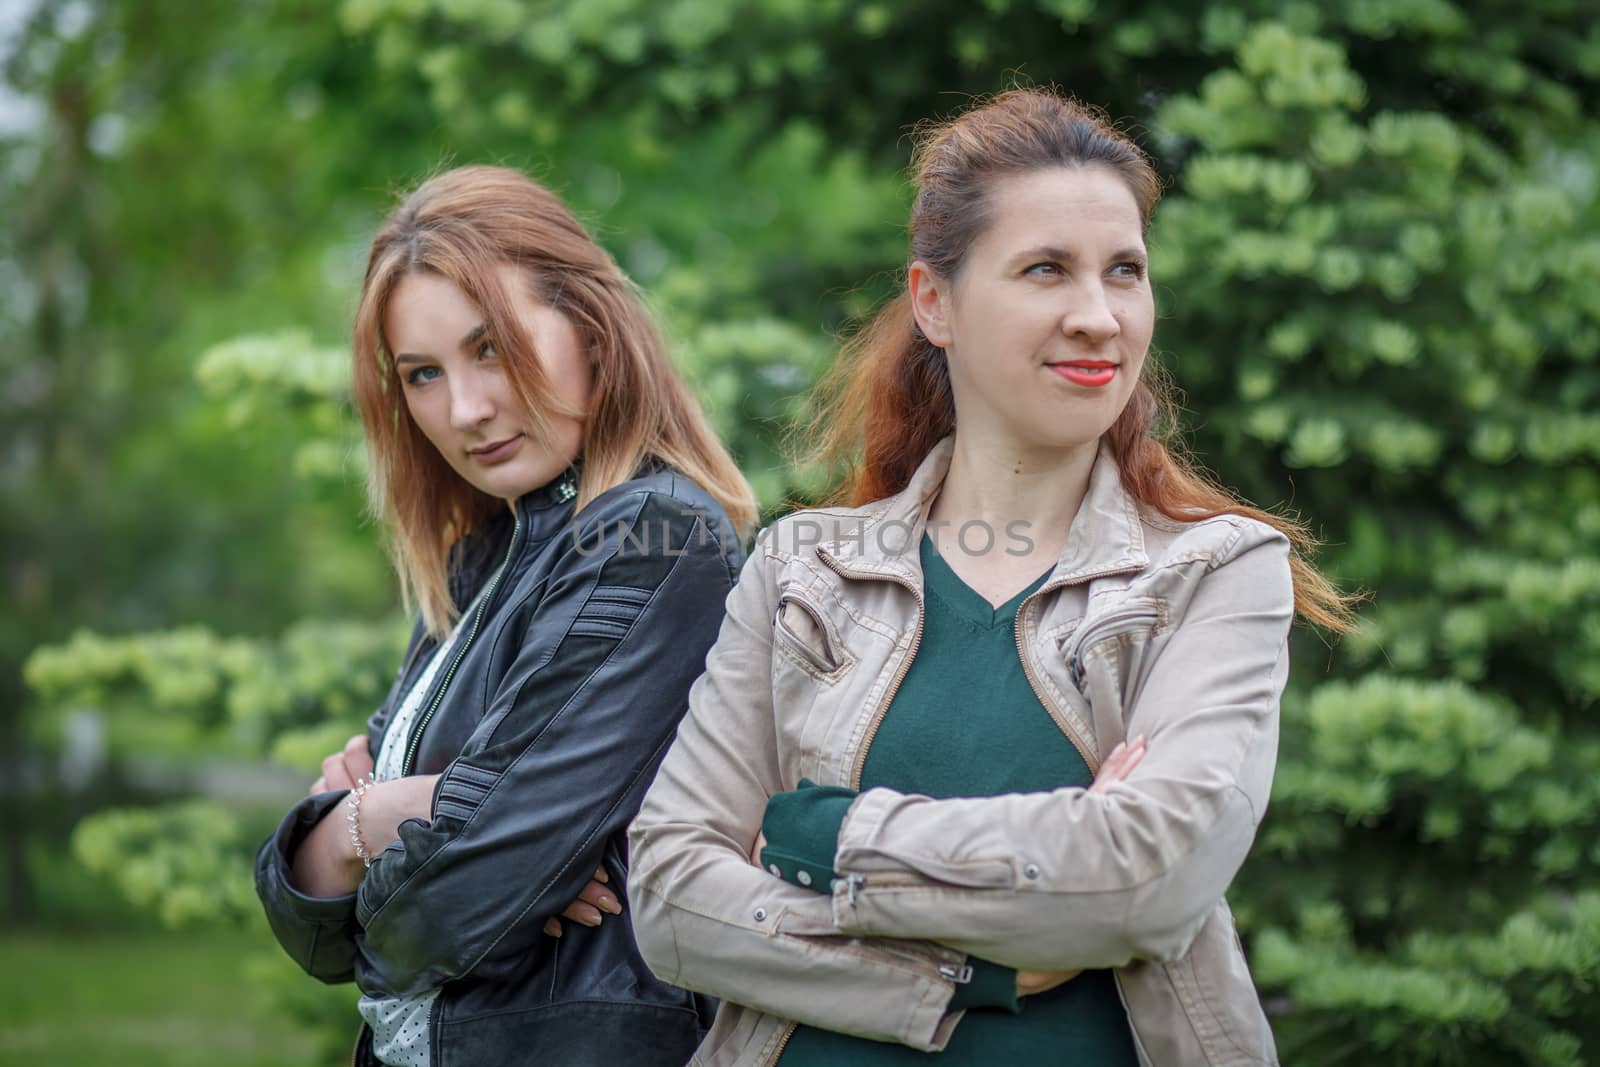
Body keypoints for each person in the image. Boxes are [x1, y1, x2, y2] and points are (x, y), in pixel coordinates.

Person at [627, 88, 1359, 1066]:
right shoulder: (804, 569)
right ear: (936, 302)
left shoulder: (1210, 572)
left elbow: (1146, 880)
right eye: (1045, 270)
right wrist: (973, 970)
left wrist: (824, 839)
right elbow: (672, 896)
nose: (1097, 316)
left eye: (1124, 272)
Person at [254, 164, 757, 1067]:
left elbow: (436, 915)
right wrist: (410, 810)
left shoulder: (650, 536)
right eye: (423, 373)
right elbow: (309, 921)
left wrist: (374, 825)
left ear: (593, 331)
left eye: (493, 348)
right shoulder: (488, 552)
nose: (466, 409)